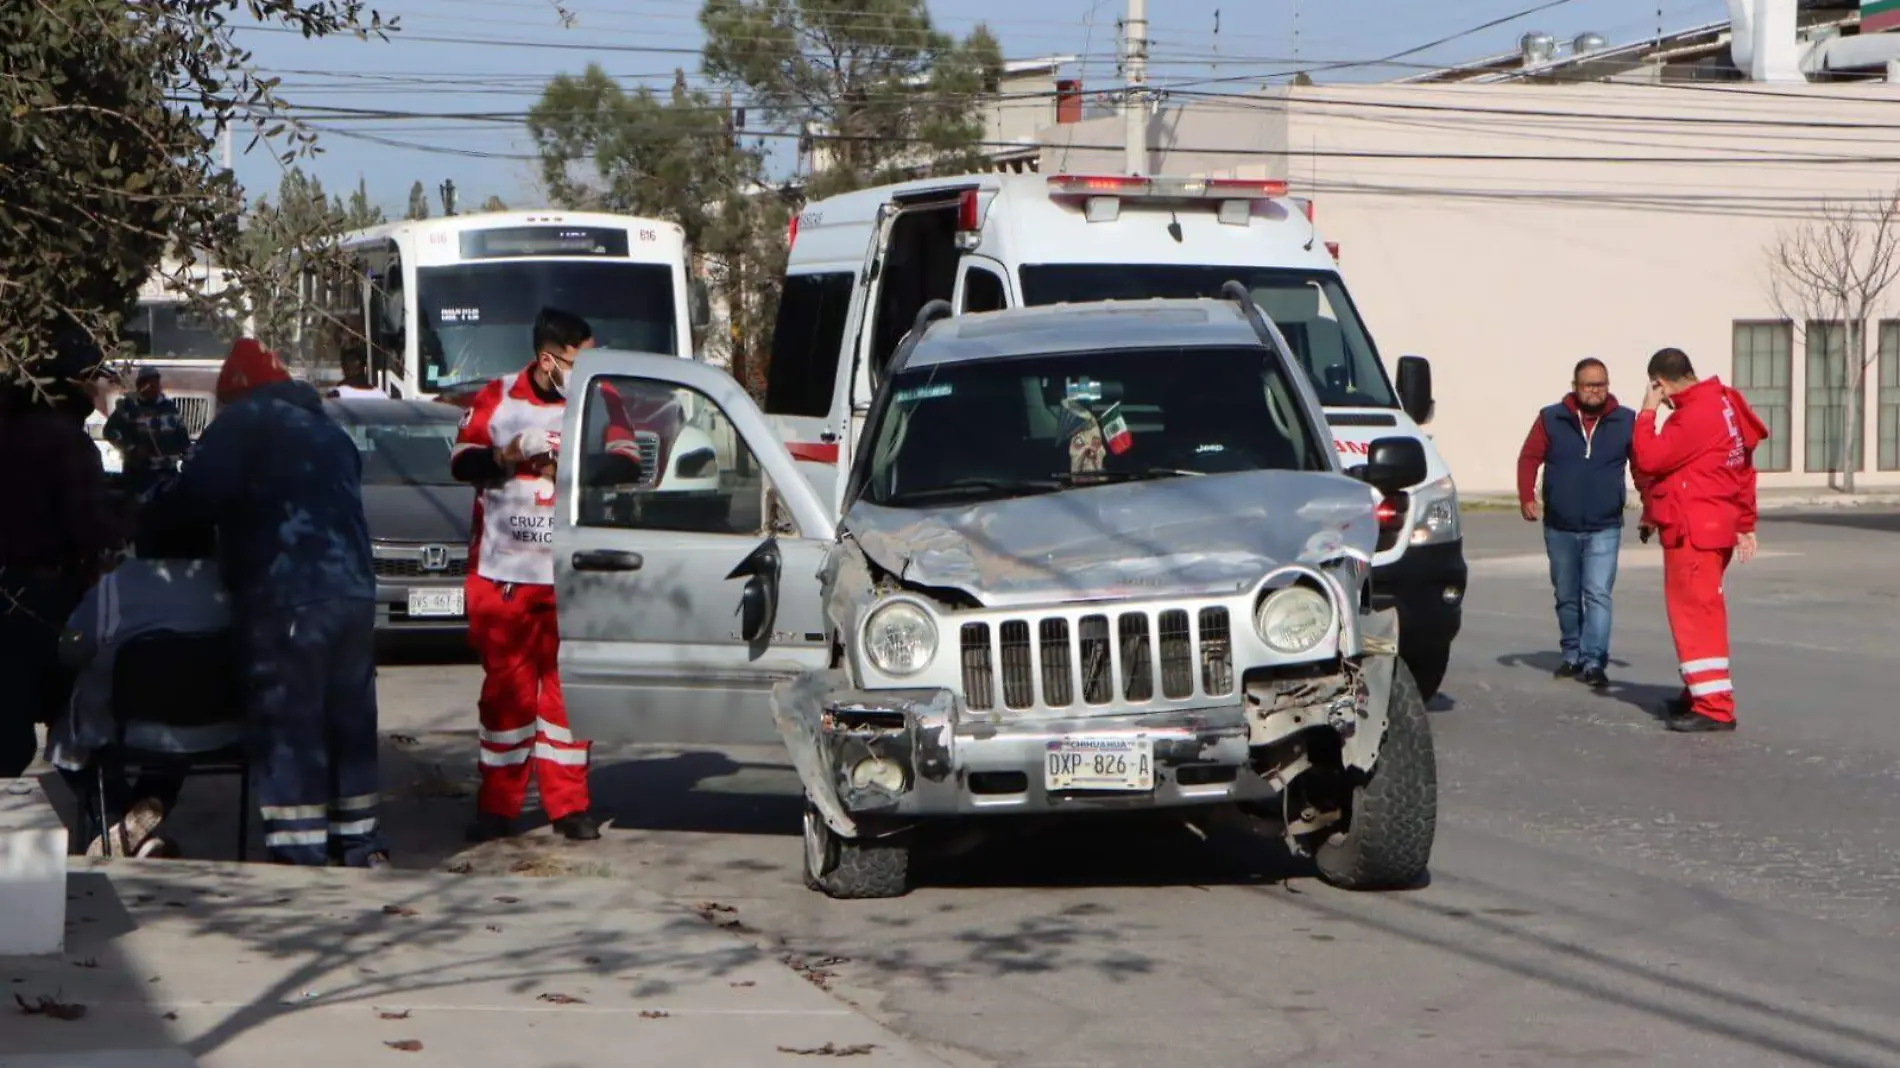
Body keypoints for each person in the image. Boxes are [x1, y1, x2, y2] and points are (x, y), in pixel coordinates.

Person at [142, 337, 388, 864]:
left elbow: (194, 499)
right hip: (353, 591)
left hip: (288, 593)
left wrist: (145, 506)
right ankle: (360, 844)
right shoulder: (328, 429)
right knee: (348, 719)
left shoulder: (242, 424)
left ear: (234, 393)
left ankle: (300, 857)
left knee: (291, 719)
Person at [451, 308, 641, 843]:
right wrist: (507, 457)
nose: (584, 370)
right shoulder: (499, 396)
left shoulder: (600, 397)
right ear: (547, 360)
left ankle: (568, 806)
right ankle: (498, 807)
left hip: (571, 575)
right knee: (506, 699)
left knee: (564, 700)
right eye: (576, 361)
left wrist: (573, 468)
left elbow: (628, 461)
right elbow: (462, 462)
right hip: (504, 576)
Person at [49, 519, 233, 858]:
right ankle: (147, 819)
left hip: (128, 729)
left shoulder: (118, 586)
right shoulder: (233, 584)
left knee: (70, 740)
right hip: (220, 729)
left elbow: (71, 650)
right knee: (179, 716)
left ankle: (119, 821)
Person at [0, 331, 124, 777]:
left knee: (8, 726)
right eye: (92, 381)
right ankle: (110, 816)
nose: (98, 391)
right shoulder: (65, 442)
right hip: (45, 595)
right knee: (77, 719)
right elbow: (90, 527)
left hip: (12, 588)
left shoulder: (13, 426)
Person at [1631, 347, 1768, 733]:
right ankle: (1699, 691)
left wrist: (1647, 411)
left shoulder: (1694, 414)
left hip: (1693, 528)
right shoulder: (1724, 402)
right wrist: (1744, 520)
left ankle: (1714, 707)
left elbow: (1649, 458)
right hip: (1713, 525)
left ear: (1660, 382)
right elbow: (1743, 469)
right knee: (1703, 611)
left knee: (1695, 616)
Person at [1517, 357, 1647, 690]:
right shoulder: (1551, 418)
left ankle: (1594, 661)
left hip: (1605, 526)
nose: (1595, 391)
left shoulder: (1625, 420)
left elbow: (1643, 468)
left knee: (1599, 594)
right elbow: (1529, 457)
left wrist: (1651, 508)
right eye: (1589, 385)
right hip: (1560, 526)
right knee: (1567, 595)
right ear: (1575, 387)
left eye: (1601, 384)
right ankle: (1571, 653)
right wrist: (1526, 497)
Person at [104, 366, 191, 500]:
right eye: (146, 383)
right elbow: (110, 432)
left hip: (168, 473)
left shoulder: (170, 408)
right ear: (139, 386)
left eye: (155, 382)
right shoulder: (129, 407)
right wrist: (131, 448)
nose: (151, 387)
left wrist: (189, 462)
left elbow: (183, 439)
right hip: (140, 474)